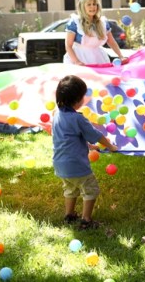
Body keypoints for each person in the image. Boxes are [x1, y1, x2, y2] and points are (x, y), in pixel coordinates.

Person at [52, 75, 118, 230]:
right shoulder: (78, 118)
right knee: (90, 190)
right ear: (77, 100)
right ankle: (86, 220)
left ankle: (69, 215)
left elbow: (67, 138)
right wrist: (110, 146)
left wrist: (89, 146)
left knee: (70, 189)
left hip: (60, 165)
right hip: (76, 164)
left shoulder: (57, 115)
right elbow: (96, 135)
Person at [64, 0, 127, 66]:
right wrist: (77, 62)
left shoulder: (103, 22)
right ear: (82, 7)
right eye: (89, 4)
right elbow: (68, 45)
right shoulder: (75, 22)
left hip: (98, 57)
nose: (92, 7)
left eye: (94, 4)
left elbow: (111, 42)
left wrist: (121, 56)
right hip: (79, 57)